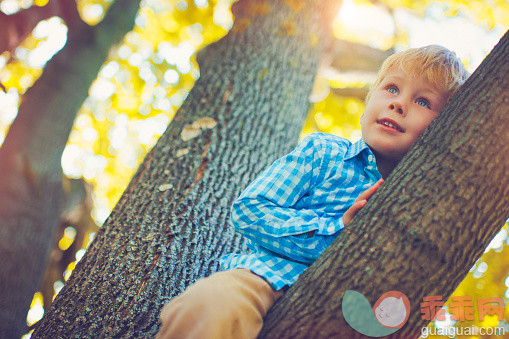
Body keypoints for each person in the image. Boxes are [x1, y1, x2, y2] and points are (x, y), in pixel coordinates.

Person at [156, 45, 470, 339]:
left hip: (347, 316)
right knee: (211, 304)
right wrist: (338, 233)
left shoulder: (421, 201)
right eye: (391, 88)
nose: (398, 103)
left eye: (423, 101)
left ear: (441, 129)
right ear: (369, 99)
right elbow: (251, 209)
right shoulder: (324, 152)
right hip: (266, 280)